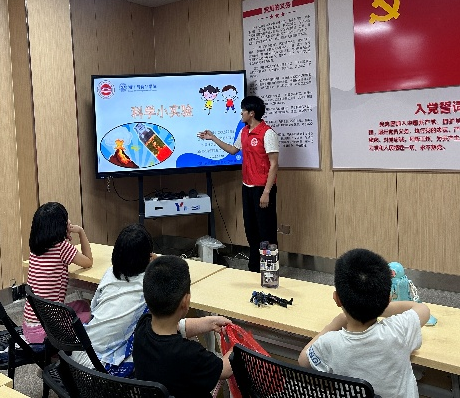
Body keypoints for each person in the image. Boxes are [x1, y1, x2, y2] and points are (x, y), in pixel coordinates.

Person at [298, 248, 431, 398]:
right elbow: (423, 309)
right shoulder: (398, 330)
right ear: (388, 299)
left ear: (337, 299)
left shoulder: (329, 344)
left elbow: (303, 360)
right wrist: (377, 307)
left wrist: (333, 325)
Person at [198, 95, 279, 272]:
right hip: (247, 187)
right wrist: (213, 138)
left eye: (243, 110)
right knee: (251, 230)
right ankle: (254, 269)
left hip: (263, 189)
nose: (241, 113)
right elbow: (233, 150)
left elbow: (274, 164)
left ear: (252, 113)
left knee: (266, 231)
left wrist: (266, 192)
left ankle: (270, 272)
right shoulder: (244, 132)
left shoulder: (267, 133)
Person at [133, 255, 233, 398]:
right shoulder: (190, 354)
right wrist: (238, 347)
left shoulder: (142, 328)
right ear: (186, 302)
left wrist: (209, 322)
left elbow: (177, 326)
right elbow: (225, 369)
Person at [72, 223, 156, 377]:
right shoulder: (149, 283)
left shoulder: (110, 273)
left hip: (77, 353)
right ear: (148, 256)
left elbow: (94, 307)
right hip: (98, 370)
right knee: (153, 345)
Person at [22, 202, 93, 344]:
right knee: (94, 317)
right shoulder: (62, 247)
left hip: (30, 326)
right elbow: (88, 261)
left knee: (83, 304)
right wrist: (80, 231)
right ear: (59, 226)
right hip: (48, 331)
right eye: (66, 219)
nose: (69, 222)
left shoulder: (35, 248)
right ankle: (73, 348)